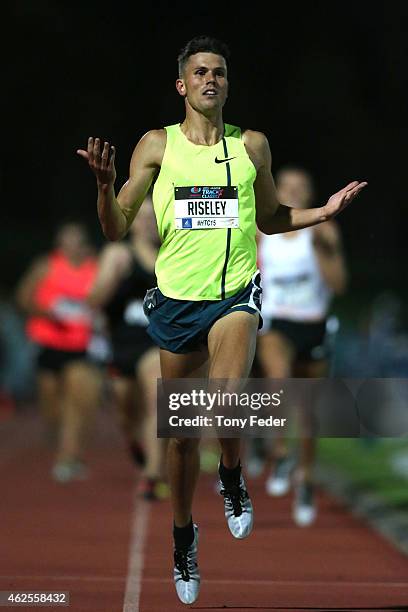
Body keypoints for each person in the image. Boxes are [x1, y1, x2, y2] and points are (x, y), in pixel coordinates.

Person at [77, 35, 366, 604]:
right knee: (181, 438)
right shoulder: (156, 147)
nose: (212, 80)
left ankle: (232, 476)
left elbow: (271, 216)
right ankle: (183, 534)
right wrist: (106, 188)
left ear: (227, 85)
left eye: (220, 73)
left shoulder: (252, 145)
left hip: (235, 296)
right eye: (201, 72)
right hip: (177, 304)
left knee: (228, 396)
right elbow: (115, 227)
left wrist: (322, 213)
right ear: (182, 85)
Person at [256, 165, 348, 526]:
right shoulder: (264, 232)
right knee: (279, 381)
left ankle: (306, 478)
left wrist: (325, 251)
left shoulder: (324, 231)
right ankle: (280, 451)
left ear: (311, 194)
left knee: (308, 412)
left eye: (301, 186)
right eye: (286, 186)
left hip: (314, 324)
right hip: (276, 322)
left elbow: (339, 285)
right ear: (276, 190)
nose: (293, 191)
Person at [87, 195, 168, 500]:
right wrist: (112, 276)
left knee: (157, 401)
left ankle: (151, 474)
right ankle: (135, 442)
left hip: (156, 341)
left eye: (154, 216)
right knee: (125, 411)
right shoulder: (118, 253)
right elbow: (93, 300)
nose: (148, 222)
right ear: (132, 221)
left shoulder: (173, 254)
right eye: (142, 216)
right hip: (122, 343)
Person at [16, 223, 102, 482]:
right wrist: (48, 312)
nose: (71, 248)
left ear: (84, 245)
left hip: (79, 346)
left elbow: (103, 303)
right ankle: (63, 447)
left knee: (76, 402)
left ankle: (69, 456)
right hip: (48, 343)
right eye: (66, 242)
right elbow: (23, 298)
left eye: (76, 242)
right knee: (52, 407)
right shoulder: (46, 266)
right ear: (59, 245)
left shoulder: (95, 269)